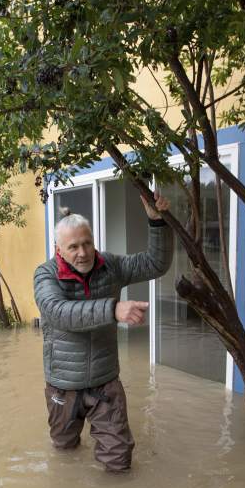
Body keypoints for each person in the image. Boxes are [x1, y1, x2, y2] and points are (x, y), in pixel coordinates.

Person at [33, 192, 173, 472]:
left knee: (119, 459)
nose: (83, 253)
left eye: (87, 244)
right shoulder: (46, 275)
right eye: (73, 247)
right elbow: (57, 312)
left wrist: (157, 222)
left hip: (105, 381)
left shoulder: (110, 265)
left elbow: (155, 264)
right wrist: (113, 309)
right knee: (64, 451)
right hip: (63, 384)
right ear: (58, 248)